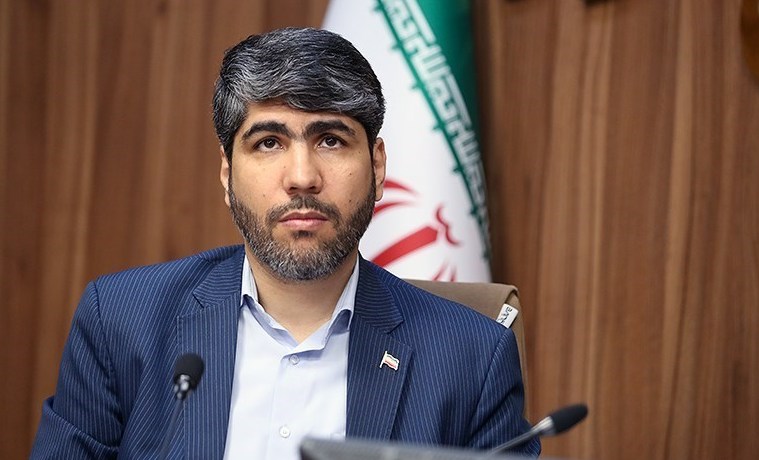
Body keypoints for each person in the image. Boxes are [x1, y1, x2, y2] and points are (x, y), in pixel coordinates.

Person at [31, 27, 540, 459]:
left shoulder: (471, 359)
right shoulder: (122, 322)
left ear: (377, 166)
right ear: (228, 173)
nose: (302, 177)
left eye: (331, 140)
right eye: (269, 143)